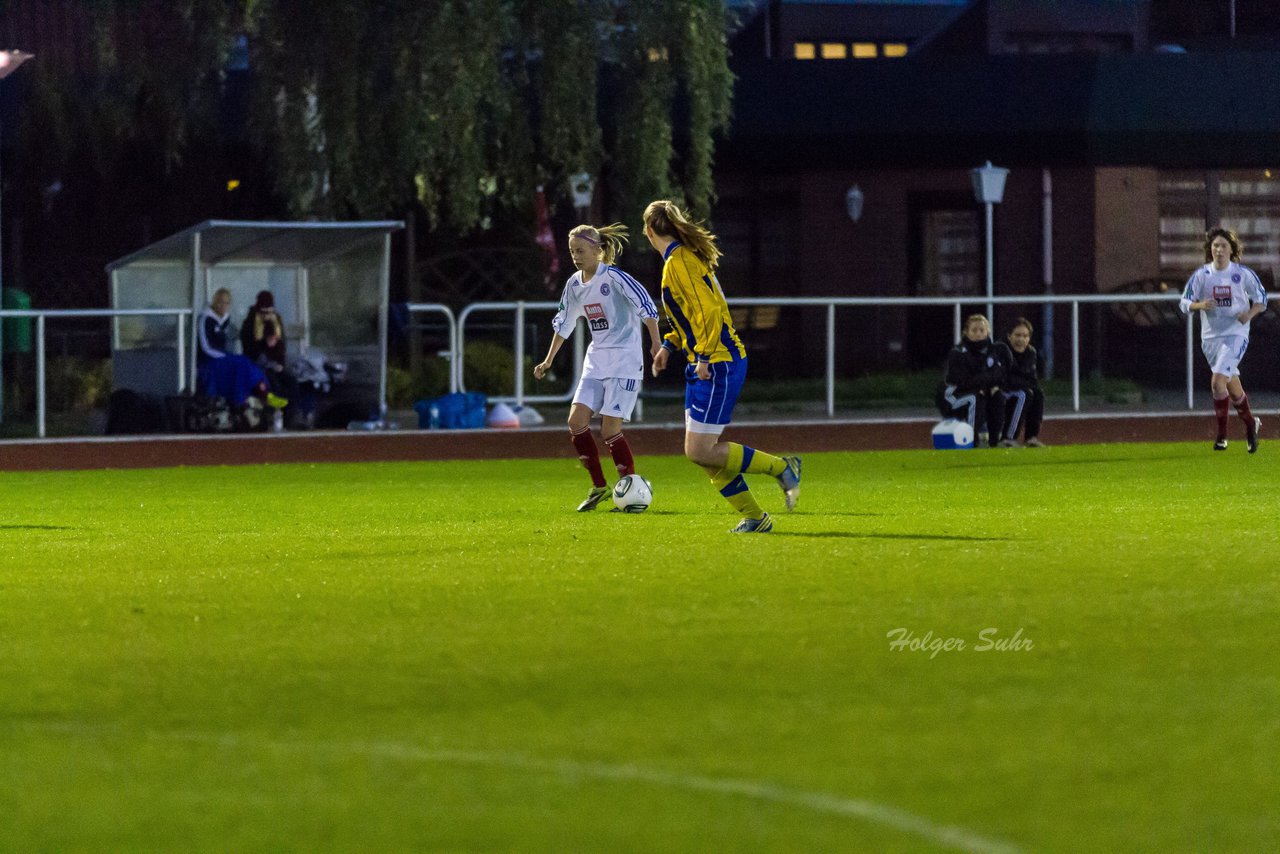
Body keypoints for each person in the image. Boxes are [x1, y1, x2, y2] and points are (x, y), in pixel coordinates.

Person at [643, 200, 801, 533]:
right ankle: (756, 518)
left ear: (649, 231)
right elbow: (689, 317)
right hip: (705, 359)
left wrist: (704, 355)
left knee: (700, 450)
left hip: (718, 362)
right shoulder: (681, 259)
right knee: (702, 454)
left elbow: (708, 314)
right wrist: (670, 345)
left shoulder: (678, 263)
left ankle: (782, 467)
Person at [534, 223, 663, 511]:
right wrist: (548, 359)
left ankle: (630, 486)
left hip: (625, 362)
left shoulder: (615, 278)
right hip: (596, 362)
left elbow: (646, 306)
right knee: (575, 422)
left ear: (597, 249)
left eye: (580, 250)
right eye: (571, 251)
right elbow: (564, 323)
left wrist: (656, 343)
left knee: (609, 430)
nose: (575, 256)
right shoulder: (574, 285)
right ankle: (599, 487)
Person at [1179, 227, 1267, 452]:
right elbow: (1184, 303)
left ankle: (1221, 436)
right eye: (1215, 245)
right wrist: (1201, 305)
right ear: (1210, 249)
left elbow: (1261, 299)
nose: (1218, 249)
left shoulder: (1242, 273)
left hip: (1236, 335)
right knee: (1233, 389)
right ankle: (1250, 424)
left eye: (1223, 246)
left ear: (1231, 250)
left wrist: (1248, 314)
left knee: (1217, 382)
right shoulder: (1202, 275)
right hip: (1211, 338)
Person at [197, 288, 287, 418]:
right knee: (241, 363)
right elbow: (205, 347)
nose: (223, 306)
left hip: (224, 359)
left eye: (227, 303)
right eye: (220, 302)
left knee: (245, 363)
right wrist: (226, 356)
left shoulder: (226, 320)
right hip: (209, 361)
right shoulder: (205, 319)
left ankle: (262, 393)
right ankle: (255, 396)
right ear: (215, 302)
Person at [936, 313, 1006, 448]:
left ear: (988, 332)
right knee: (974, 398)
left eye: (982, 330)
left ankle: (994, 441)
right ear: (966, 333)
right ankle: (971, 440)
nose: (978, 334)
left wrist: (990, 386)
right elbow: (961, 382)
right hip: (952, 397)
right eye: (974, 330)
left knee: (998, 396)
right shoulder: (957, 353)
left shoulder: (992, 351)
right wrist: (985, 383)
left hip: (979, 393)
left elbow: (999, 375)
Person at [241, 290, 311, 425]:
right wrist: (264, 344)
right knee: (274, 384)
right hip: (258, 366)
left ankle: (293, 415)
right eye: (264, 311)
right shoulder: (250, 323)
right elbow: (250, 349)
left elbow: (281, 345)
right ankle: (273, 414)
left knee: (291, 381)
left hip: (276, 364)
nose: (267, 315)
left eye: (270, 311)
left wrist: (279, 363)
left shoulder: (276, 321)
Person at [996, 317, 1046, 447]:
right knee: (1024, 394)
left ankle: (1031, 437)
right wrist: (1021, 380)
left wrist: (1019, 380)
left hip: (1017, 388)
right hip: (997, 391)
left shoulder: (1031, 352)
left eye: (1025, 336)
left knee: (1037, 393)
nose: (1021, 340)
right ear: (1009, 336)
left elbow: (1032, 380)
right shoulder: (1001, 350)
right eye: (1017, 335)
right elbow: (1003, 379)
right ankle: (1008, 438)